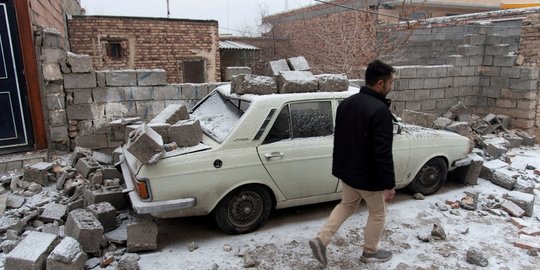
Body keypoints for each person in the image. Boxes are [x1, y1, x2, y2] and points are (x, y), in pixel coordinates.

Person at [309, 59, 396, 265]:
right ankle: (370, 252)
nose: (392, 86)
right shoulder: (380, 111)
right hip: (369, 176)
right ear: (381, 83)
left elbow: (341, 139)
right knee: (378, 212)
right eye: (391, 82)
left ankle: (321, 240)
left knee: (347, 204)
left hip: (348, 171)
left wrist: (341, 168)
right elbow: (382, 152)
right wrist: (389, 184)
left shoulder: (346, 103)